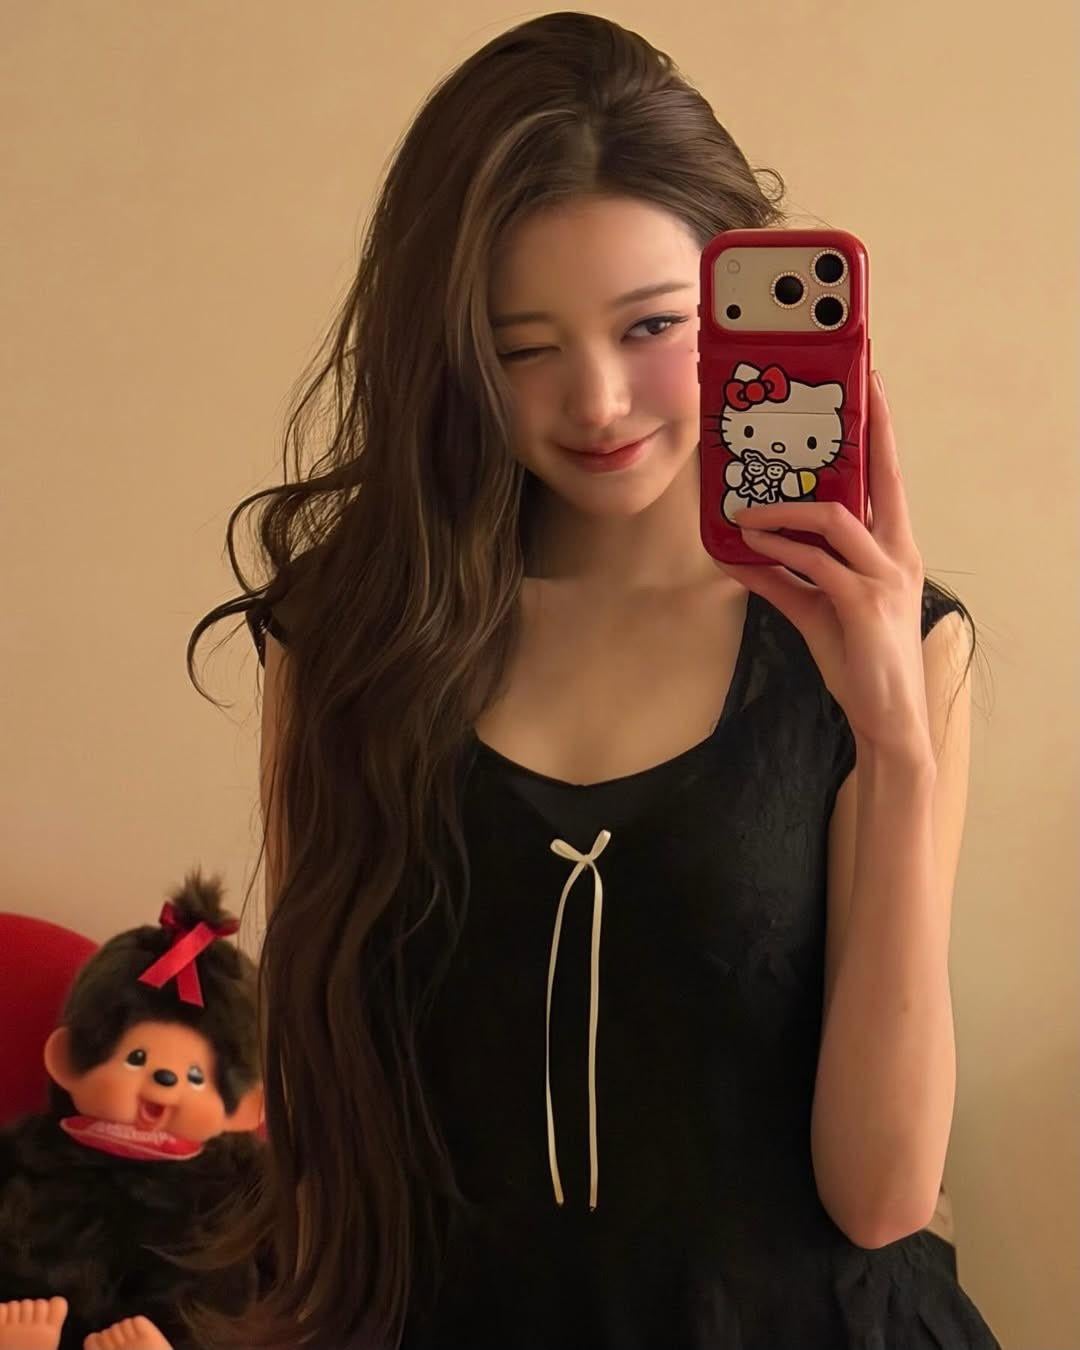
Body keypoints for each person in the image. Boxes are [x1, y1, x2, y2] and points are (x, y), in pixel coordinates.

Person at [189, 12, 1001, 1349]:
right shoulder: (348, 641)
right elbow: (330, 1128)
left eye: (652, 326)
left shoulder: (898, 650)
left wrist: (896, 747)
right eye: (524, 346)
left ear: (735, 305)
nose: (601, 401)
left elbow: (881, 1197)